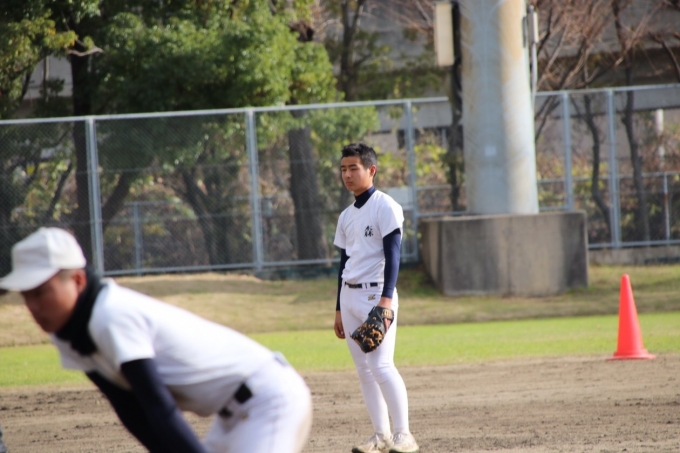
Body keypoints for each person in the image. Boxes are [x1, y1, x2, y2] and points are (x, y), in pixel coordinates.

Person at [0, 227, 312, 453]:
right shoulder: (69, 334)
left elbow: (158, 405)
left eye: (41, 292)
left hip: (269, 400)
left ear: (78, 280)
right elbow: (131, 411)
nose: (33, 306)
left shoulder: (110, 315)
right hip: (234, 418)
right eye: (26, 295)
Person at [333, 143, 419, 453]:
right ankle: (381, 435)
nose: (347, 174)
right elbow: (344, 263)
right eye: (343, 169)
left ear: (371, 170)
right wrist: (338, 308)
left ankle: (404, 435)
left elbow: (393, 255)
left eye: (353, 168)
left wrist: (386, 300)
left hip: (376, 294)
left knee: (381, 366)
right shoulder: (346, 216)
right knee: (364, 371)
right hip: (349, 296)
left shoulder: (385, 206)